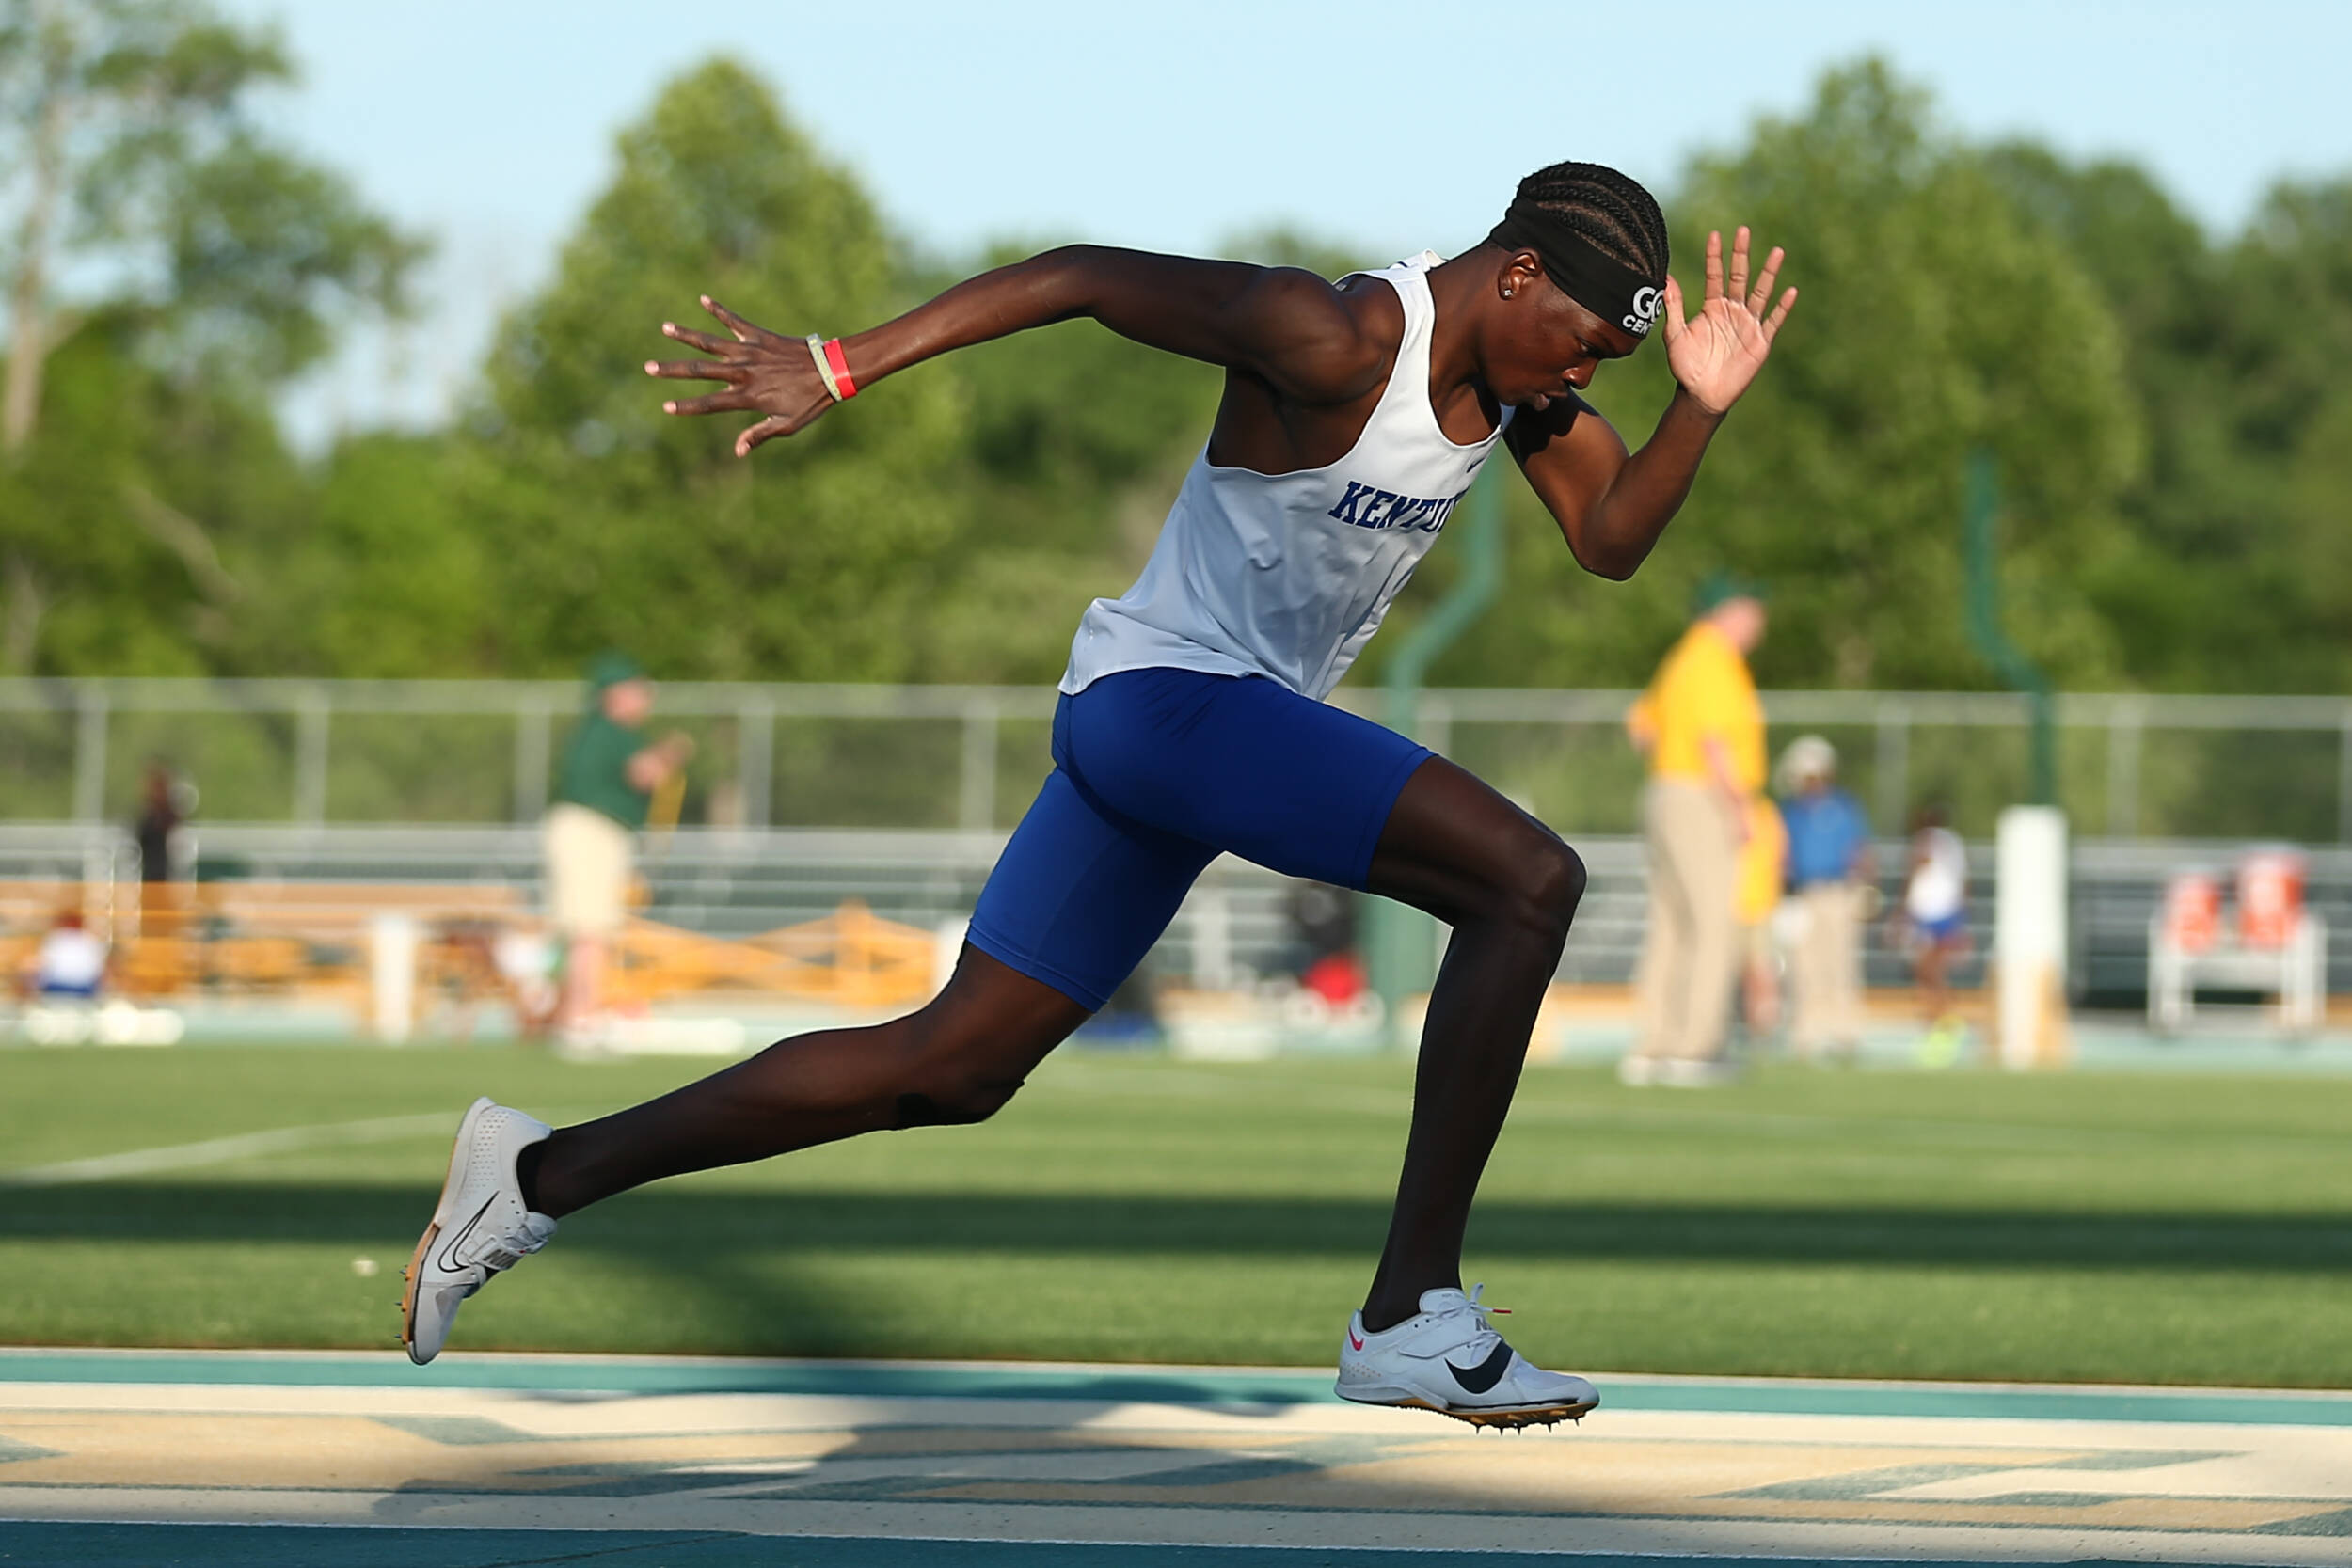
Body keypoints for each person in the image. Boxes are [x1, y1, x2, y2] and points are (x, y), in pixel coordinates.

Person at [404, 163, 1797, 1427]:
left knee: (951, 1065)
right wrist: (842, 362)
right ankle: (1407, 1308)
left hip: (1187, 737)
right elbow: (1079, 276)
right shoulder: (1340, 335)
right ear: (1516, 276)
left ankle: (530, 1175)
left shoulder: (1518, 390)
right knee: (1529, 880)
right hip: (1166, 704)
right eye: (1591, 340)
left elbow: (1613, 541)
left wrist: (1699, 404)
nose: (1587, 372)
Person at [1621, 577, 1769, 1086]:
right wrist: (1741, 806)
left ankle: (1656, 1043)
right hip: (1700, 794)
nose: (1758, 624)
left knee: (1672, 924)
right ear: (1726, 612)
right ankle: (1695, 1046)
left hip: (1666, 788)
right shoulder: (1714, 660)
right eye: (1751, 612)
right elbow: (1714, 740)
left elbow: (1639, 725)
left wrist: (1668, 765)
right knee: (1712, 922)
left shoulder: (1681, 659)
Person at [542, 653, 694, 1037]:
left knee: (592, 929)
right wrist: (669, 753)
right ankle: (580, 1017)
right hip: (590, 829)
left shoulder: (606, 733)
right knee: (590, 929)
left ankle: (578, 1013)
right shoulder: (610, 731)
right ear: (614, 694)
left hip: (598, 831)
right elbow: (644, 773)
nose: (645, 698)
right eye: (637, 690)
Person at [1775, 736, 1872, 1062]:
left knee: (1840, 965)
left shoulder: (1843, 807)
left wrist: (1864, 888)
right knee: (1804, 968)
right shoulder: (1791, 811)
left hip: (1838, 893)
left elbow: (1859, 851)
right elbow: (1782, 857)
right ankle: (1807, 1035)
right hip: (1803, 894)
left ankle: (1844, 1034)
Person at [1901, 805, 1970, 1062]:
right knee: (1927, 974)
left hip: (1938, 917)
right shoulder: (1950, 843)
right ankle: (1938, 1024)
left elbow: (1916, 875)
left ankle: (1946, 1024)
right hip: (1931, 916)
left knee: (1930, 972)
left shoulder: (1936, 843)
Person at [1734, 794, 1787, 1046]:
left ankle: (1764, 1028)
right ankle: (1747, 1026)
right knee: (1740, 971)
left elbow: (1781, 856)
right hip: (1732, 906)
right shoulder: (1724, 806)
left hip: (1760, 906)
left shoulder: (1766, 811)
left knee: (1762, 970)